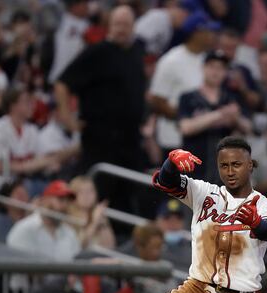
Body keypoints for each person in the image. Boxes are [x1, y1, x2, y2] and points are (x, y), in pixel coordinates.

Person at [116, 136, 267, 293]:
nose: (230, 171)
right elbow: (166, 181)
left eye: (236, 165)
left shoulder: (266, 206)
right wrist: (171, 162)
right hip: (196, 292)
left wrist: (256, 223)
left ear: (250, 165)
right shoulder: (205, 193)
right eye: (224, 165)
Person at [54, 5, 146, 172]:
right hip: (100, 139)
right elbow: (62, 83)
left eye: (125, 25)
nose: (121, 29)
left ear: (133, 27)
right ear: (109, 26)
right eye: (117, 24)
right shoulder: (97, 52)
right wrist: (68, 118)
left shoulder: (137, 52)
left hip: (130, 139)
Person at [148, 10, 219, 155]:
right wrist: (186, 117)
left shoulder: (208, 60)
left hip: (203, 140)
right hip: (174, 140)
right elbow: (156, 100)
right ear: (196, 33)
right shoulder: (171, 60)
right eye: (209, 31)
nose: (213, 36)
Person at [178, 50, 252, 183]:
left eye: (220, 68)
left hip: (224, 173)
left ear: (225, 72)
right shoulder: (188, 97)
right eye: (212, 66)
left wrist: (236, 119)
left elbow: (248, 128)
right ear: (203, 68)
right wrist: (219, 114)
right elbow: (186, 128)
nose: (215, 71)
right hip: (194, 170)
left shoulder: (232, 98)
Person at [6, 180, 80, 262]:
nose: (65, 206)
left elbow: (76, 264)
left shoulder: (69, 233)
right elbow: (20, 265)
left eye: (68, 202)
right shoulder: (24, 229)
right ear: (45, 200)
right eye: (61, 199)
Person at [46, 0, 89, 84]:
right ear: (75, 6)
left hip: (78, 79)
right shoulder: (59, 23)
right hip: (60, 78)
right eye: (84, 3)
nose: (87, 6)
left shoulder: (86, 24)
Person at [67, 176, 115, 249]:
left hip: (100, 258)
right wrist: (95, 223)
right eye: (81, 192)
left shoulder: (98, 214)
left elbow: (111, 246)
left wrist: (103, 223)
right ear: (73, 195)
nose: (87, 195)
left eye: (90, 191)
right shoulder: (68, 217)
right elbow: (79, 246)